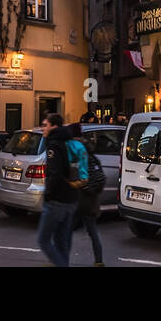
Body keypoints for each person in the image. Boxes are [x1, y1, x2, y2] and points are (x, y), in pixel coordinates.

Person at [34, 113, 78, 266]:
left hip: (57, 200)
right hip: (71, 198)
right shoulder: (69, 141)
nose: (42, 128)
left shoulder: (54, 145)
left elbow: (54, 173)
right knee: (61, 242)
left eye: (45, 125)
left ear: (54, 127)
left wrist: (48, 194)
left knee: (43, 240)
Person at [68, 124, 105, 266]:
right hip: (90, 200)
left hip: (79, 199)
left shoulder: (76, 151)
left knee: (65, 230)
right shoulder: (89, 151)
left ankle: (59, 259)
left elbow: (75, 175)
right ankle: (99, 262)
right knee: (93, 232)